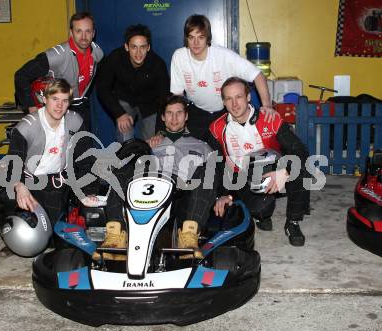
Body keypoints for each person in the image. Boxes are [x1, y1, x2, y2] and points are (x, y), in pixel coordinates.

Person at [92, 95, 216, 261]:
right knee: (126, 164)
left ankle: (188, 235)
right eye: (169, 113)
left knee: (209, 169)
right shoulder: (150, 144)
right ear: (163, 117)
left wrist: (224, 195)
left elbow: (214, 180)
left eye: (179, 113)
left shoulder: (202, 146)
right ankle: (116, 234)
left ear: (186, 116)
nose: (174, 118)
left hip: (183, 195)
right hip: (148, 188)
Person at [210, 77, 310, 246]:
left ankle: (293, 222)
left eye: (239, 97)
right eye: (229, 99)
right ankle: (263, 215)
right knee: (261, 208)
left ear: (248, 97)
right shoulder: (216, 128)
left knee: (301, 168)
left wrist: (284, 172)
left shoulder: (269, 119)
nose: (234, 104)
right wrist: (222, 194)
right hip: (243, 177)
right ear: (223, 103)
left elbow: (300, 150)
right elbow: (217, 164)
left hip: (274, 168)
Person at [4, 78, 98, 227]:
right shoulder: (26, 127)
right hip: (29, 183)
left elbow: (85, 159)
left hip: (60, 182)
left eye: (65, 101)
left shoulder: (75, 121)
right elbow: (13, 163)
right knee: (24, 225)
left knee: (62, 229)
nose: (59, 106)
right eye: (55, 99)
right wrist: (19, 186)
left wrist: (89, 191)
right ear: (45, 99)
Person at [167, 14, 274, 139]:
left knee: (224, 153)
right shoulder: (179, 57)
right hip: (196, 111)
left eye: (200, 37)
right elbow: (177, 96)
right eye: (191, 37)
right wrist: (178, 121)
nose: (195, 43)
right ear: (186, 38)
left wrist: (267, 106)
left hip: (224, 112)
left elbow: (258, 75)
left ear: (208, 38)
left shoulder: (223, 55)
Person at [14, 12, 103, 127]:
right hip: (55, 109)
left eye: (88, 31)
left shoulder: (98, 54)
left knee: (84, 143)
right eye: (78, 31)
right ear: (71, 33)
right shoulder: (55, 56)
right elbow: (21, 76)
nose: (83, 37)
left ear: (93, 33)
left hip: (81, 107)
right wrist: (31, 106)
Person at [97, 24, 169, 142]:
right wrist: (119, 113)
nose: (138, 52)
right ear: (126, 47)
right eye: (134, 47)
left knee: (154, 143)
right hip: (125, 100)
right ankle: (126, 159)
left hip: (150, 104)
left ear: (148, 47)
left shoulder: (158, 64)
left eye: (142, 47)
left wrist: (161, 131)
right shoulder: (115, 58)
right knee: (125, 132)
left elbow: (164, 98)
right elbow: (102, 88)